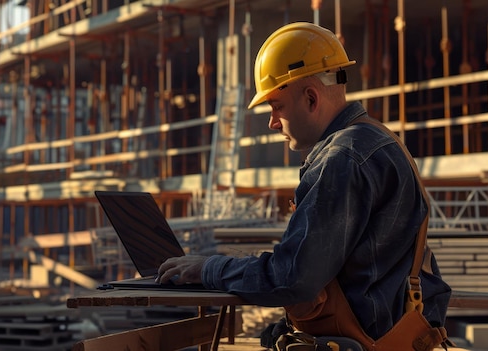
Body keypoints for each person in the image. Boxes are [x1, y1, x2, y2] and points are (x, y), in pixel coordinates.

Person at [157, 22, 452, 350]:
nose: (272, 122)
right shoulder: (379, 141)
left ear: (311, 98)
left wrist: (209, 268)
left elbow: (292, 277)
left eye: (276, 106)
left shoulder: (343, 158)